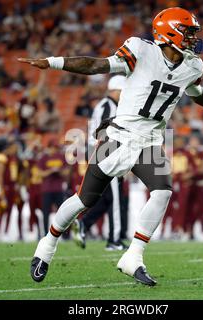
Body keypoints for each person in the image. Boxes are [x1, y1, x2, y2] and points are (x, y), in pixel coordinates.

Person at [20, 7, 203, 286]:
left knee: (162, 191)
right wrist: (54, 62)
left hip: (151, 141)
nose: (194, 38)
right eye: (189, 32)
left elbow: (196, 92)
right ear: (170, 31)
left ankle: (133, 256)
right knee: (85, 200)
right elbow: (97, 65)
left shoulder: (193, 66)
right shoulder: (140, 51)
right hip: (119, 136)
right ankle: (47, 244)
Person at [71, 75, 129, 251]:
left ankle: (84, 225)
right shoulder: (108, 106)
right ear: (117, 90)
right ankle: (114, 240)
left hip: (101, 154)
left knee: (106, 199)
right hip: (106, 155)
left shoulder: (106, 105)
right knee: (117, 198)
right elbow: (105, 135)